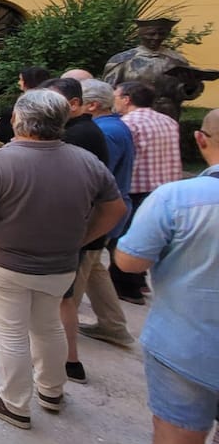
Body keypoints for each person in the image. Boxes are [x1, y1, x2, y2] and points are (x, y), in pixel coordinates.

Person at [0, 90, 124, 430]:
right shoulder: (85, 161)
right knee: (48, 326)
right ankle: (51, 390)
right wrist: (81, 239)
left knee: (10, 333)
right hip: (59, 265)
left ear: (18, 119)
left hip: (3, 263)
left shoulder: (1, 160)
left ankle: (14, 403)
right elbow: (115, 209)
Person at [113, 109, 219, 444]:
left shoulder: (178, 198)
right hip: (187, 342)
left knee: (180, 433)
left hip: (187, 343)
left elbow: (129, 261)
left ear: (200, 140)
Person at [39, 77, 117, 384]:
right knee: (63, 296)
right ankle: (68, 362)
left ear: (75, 104)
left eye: (52, 101)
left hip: (67, 234)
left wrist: (83, 238)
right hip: (71, 233)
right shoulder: (80, 132)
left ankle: (64, 365)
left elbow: (110, 205)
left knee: (61, 298)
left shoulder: (78, 138)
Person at [73, 79, 137, 349]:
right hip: (109, 209)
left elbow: (94, 178)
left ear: (91, 105)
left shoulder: (102, 131)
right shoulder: (113, 126)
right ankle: (113, 325)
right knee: (94, 268)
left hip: (99, 213)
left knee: (75, 278)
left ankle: (61, 339)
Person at [110, 80, 182, 305]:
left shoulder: (128, 124)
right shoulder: (168, 121)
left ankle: (128, 288)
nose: (114, 101)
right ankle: (140, 280)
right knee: (149, 235)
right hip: (165, 187)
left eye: (116, 96)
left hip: (136, 188)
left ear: (127, 99)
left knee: (125, 238)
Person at [103, 17, 219, 119]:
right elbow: (108, 91)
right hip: (132, 114)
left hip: (168, 113)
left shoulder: (177, 60)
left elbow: (181, 93)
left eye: (161, 34)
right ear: (141, 34)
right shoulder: (123, 59)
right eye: (151, 34)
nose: (156, 37)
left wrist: (190, 86)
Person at [0, 66, 52, 146]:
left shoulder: (34, 103)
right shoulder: (29, 98)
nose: (19, 83)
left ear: (29, 82)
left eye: (21, 80)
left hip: (15, 143)